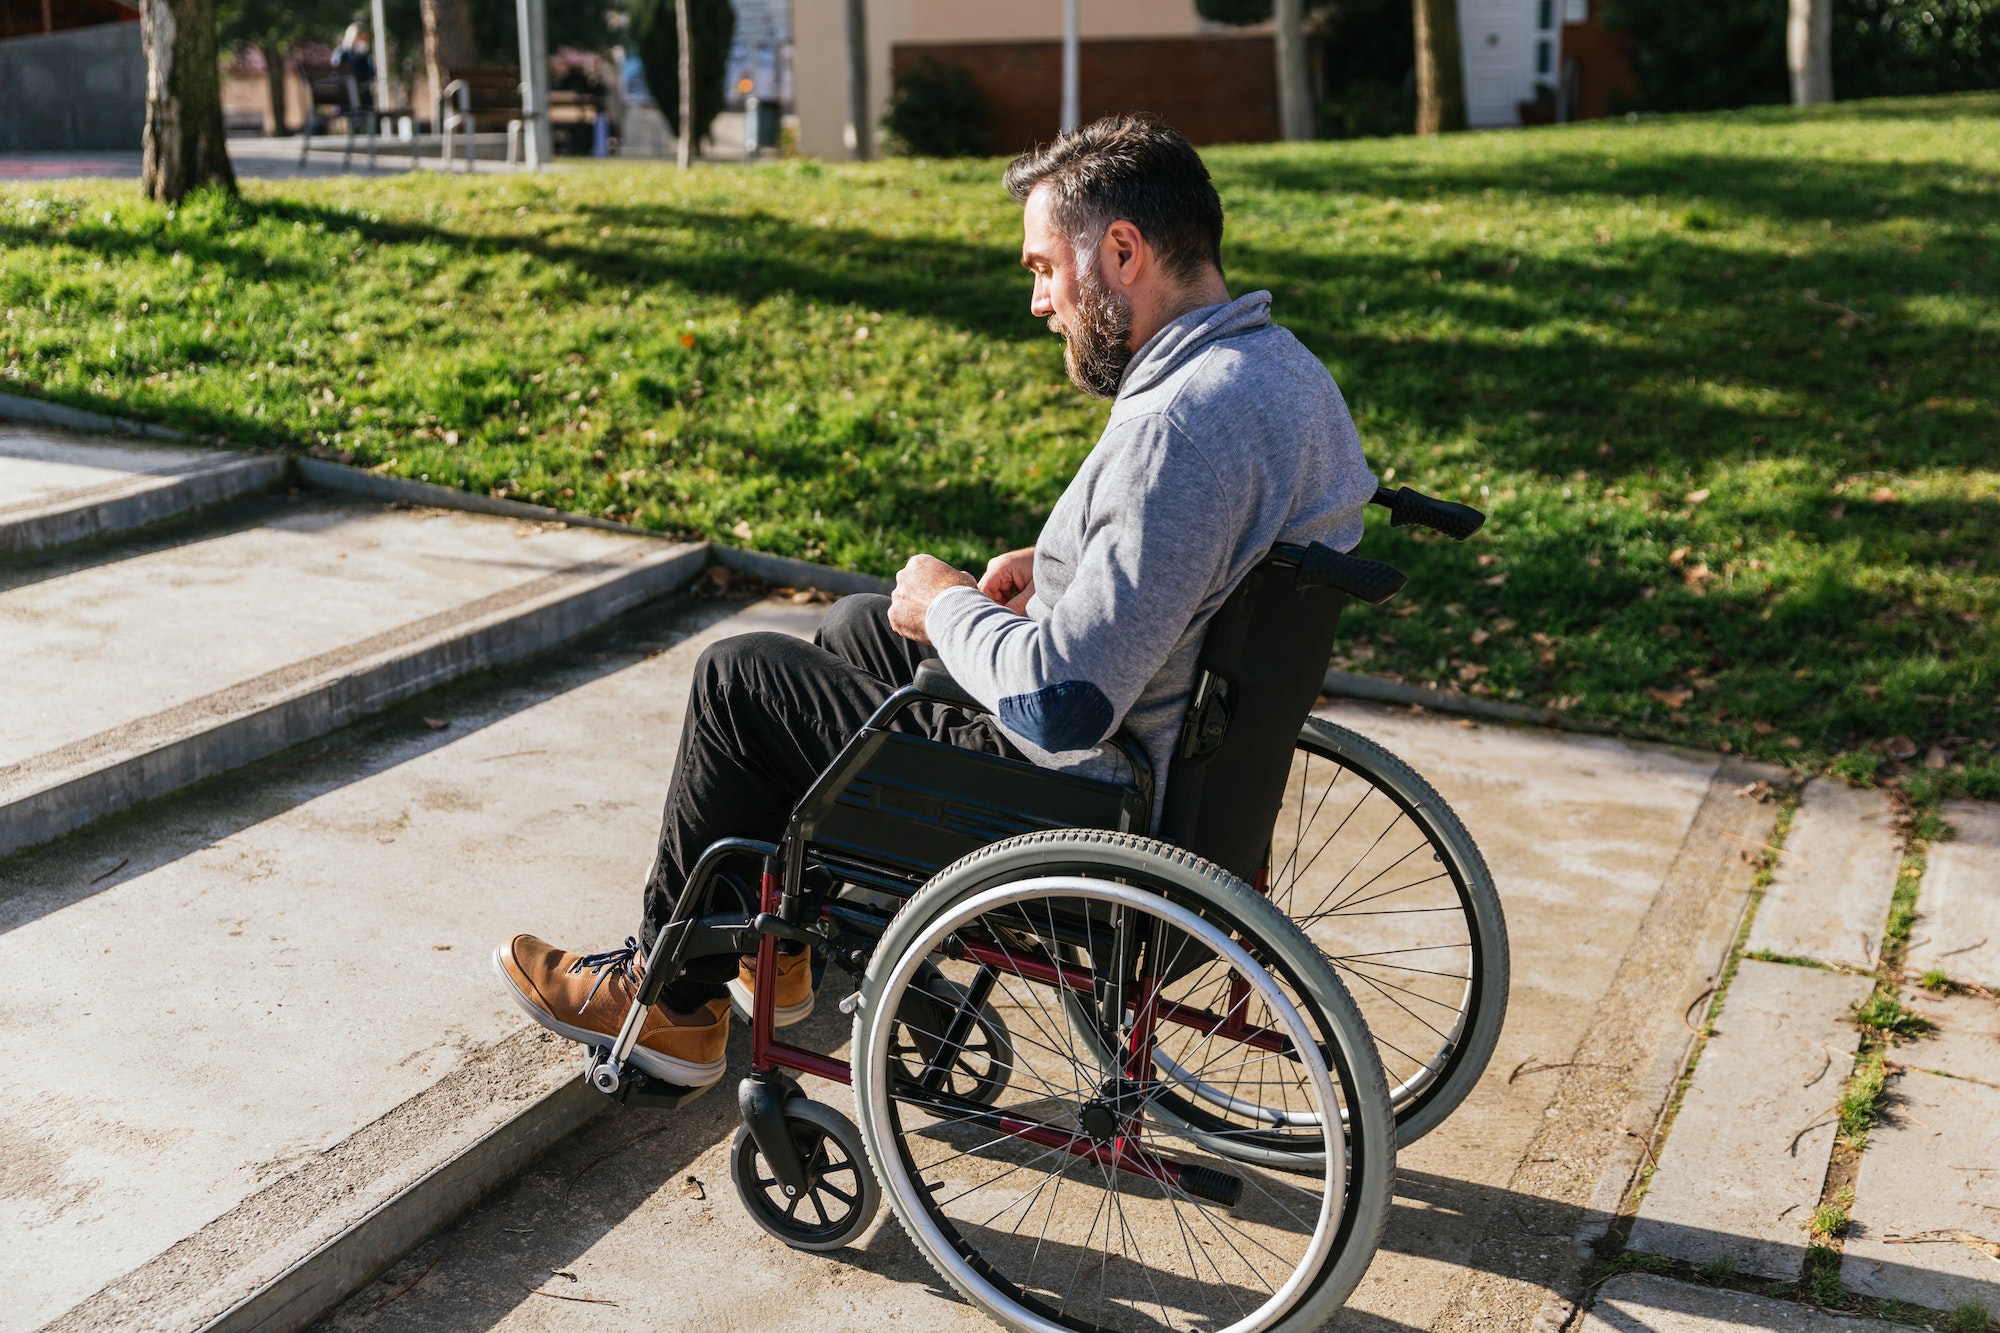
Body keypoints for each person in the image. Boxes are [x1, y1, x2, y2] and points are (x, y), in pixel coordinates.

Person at [493, 114, 1379, 1090]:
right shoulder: (1280, 375)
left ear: (1120, 250)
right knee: (853, 630)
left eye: (1044, 268)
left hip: (1094, 813)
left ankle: (670, 1006)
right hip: (1197, 792)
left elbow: (1063, 705)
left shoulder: (1175, 425)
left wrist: (951, 606)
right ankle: (769, 949)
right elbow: (1214, 567)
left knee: (740, 678)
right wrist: (1064, 572)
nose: (1039, 300)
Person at [332, 24, 376, 114]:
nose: (362, 42)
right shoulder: (344, 53)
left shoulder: (363, 55)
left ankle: (363, 123)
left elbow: (371, 73)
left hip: (350, 96)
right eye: (360, 39)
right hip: (350, 96)